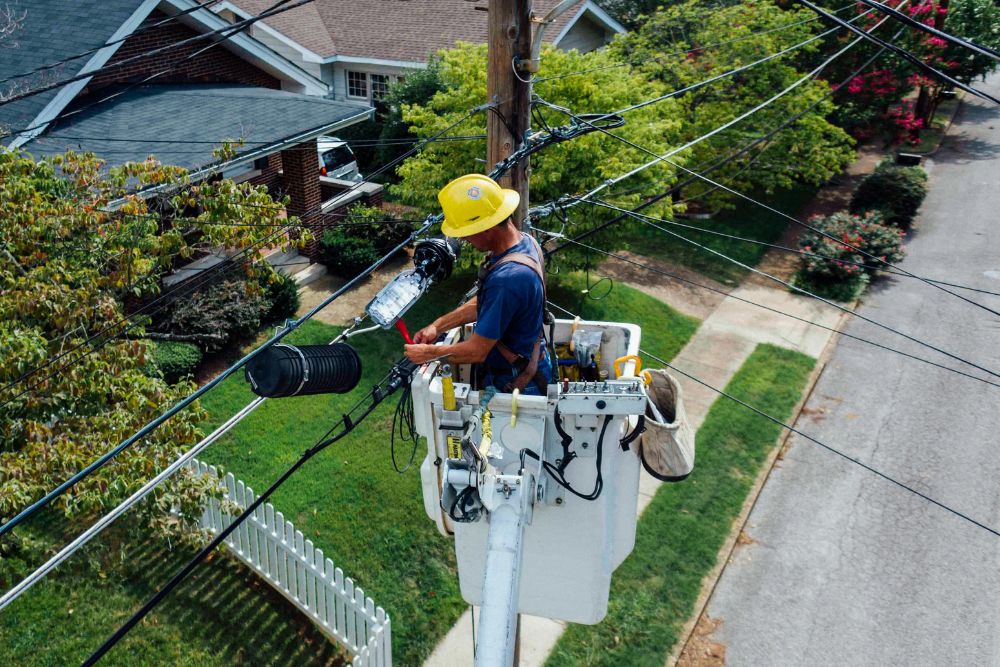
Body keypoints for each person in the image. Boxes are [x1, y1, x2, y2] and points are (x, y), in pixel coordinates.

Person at [403, 174, 553, 394]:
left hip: (516, 381)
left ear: (486, 228)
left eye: (466, 233)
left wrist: (428, 354)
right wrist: (439, 325)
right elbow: (486, 304)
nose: (463, 240)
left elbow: (476, 351)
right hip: (527, 364)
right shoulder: (525, 243)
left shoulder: (508, 279)